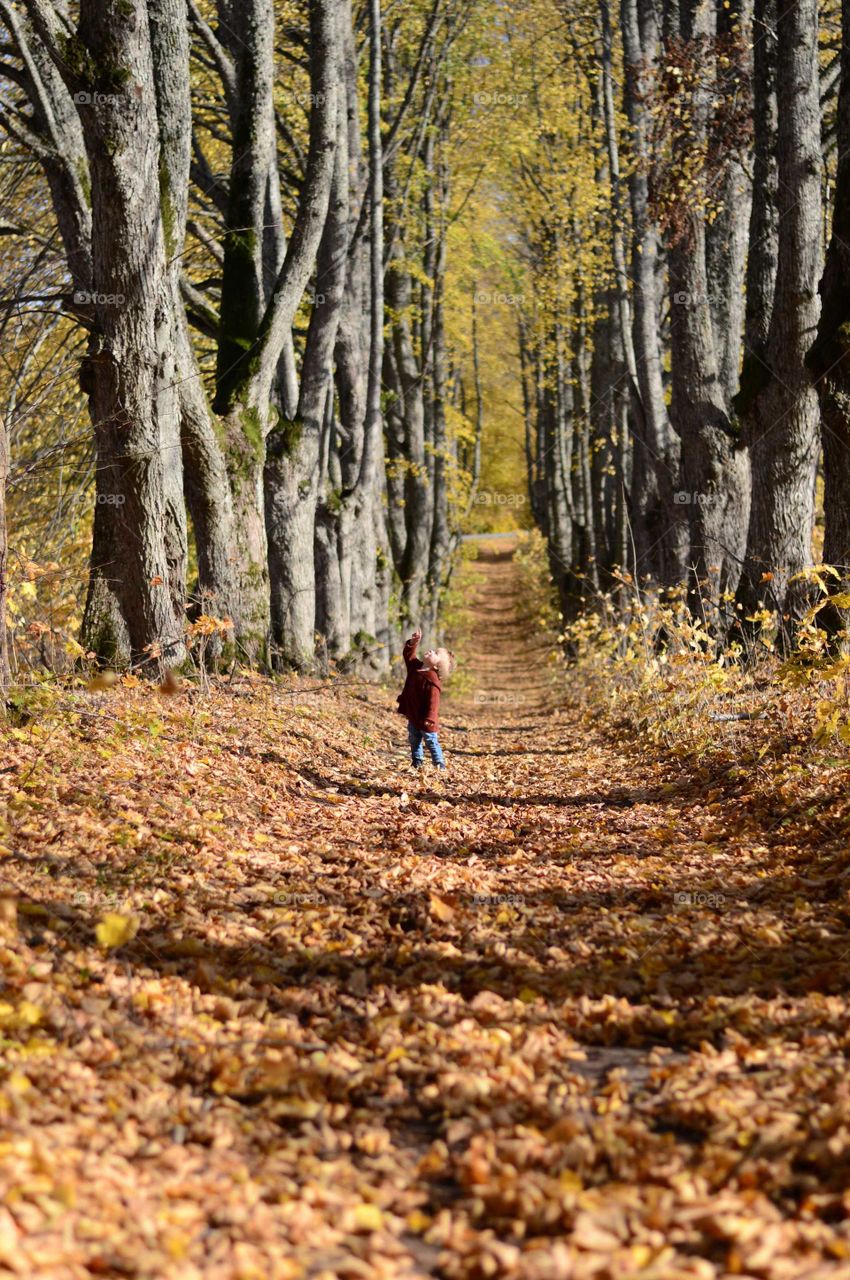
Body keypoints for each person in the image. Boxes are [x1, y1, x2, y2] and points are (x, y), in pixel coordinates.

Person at [396, 627, 454, 770]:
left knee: (430, 741)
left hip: (427, 719)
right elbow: (408, 655)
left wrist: (430, 719)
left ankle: (439, 763)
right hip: (414, 714)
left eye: (436, 653)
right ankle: (417, 760)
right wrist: (414, 642)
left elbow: (433, 704)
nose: (431, 651)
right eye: (434, 650)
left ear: (436, 665)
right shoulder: (416, 667)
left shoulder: (432, 681)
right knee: (414, 738)